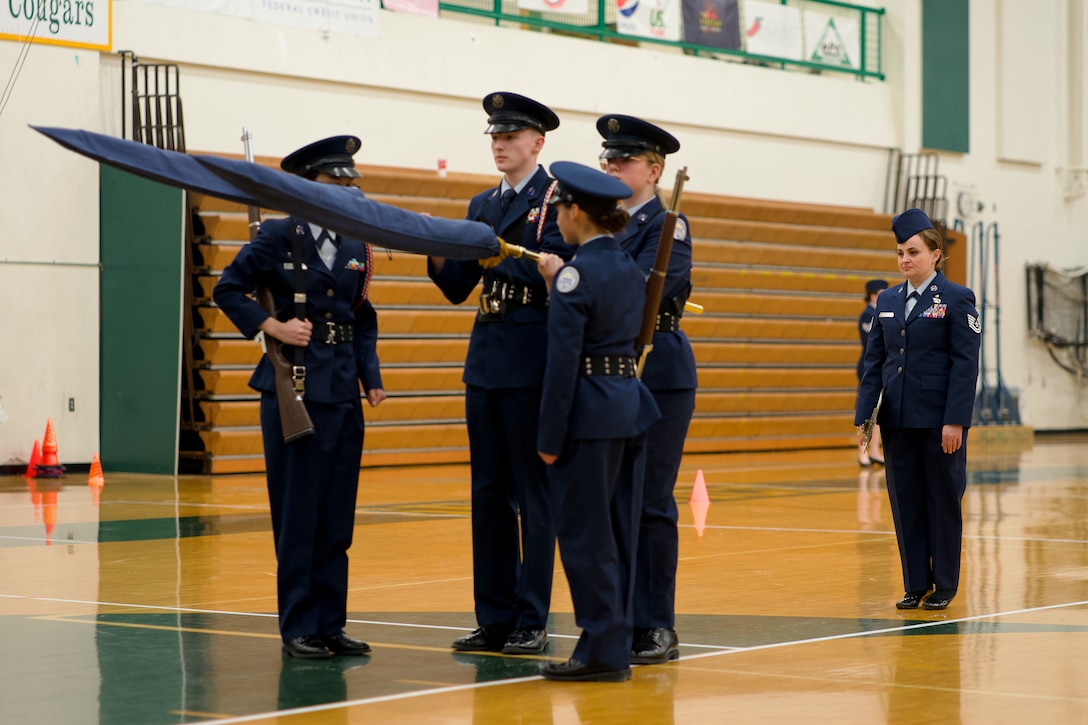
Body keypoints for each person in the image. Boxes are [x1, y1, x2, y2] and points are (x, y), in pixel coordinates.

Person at [214, 135, 386, 658]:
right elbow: (227, 287)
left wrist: (370, 375)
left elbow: (363, 314)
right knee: (298, 514)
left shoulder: (356, 242)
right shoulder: (276, 235)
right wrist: (271, 327)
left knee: (337, 516)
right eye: (336, 181)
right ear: (308, 186)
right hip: (296, 385)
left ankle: (331, 624)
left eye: (350, 182)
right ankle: (299, 627)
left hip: (341, 391)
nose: (347, 189)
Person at [428, 92, 572, 656]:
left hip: (532, 358)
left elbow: (566, 273)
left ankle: (532, 616)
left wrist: (502, 257)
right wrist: (435, 248)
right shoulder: (481, 203)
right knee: (487, 493)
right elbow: (457, 287)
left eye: (511, 137)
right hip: (486, 357)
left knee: (534, 495)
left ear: (538, 142)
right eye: (494, 136)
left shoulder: (557, 199)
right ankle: (493, 614)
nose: (500, 145)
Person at [535, 161, 661, 682]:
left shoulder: (574, 273)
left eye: (559, 210)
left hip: (587, 416)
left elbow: (562, 364)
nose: (556, 220)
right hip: (629, 407)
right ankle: (609, 638)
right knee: (615, 534)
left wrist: (547, 437)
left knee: (586, 537)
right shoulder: (630, 268)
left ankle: (603, 654)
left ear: (577, 212)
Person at [595, 114, 696, 665]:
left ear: (654, 171)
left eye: (624, 159)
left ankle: (657, 625)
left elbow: (640, 292)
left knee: (651, 503)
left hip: (659, 370)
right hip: (608, 369)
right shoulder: (599, 222)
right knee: (610, 503)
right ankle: (617, 620)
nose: (611, 166)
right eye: (606, 158)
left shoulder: (667, 227)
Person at [854, 208, 980, 611]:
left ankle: (943, 583)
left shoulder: (958, 299)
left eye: (913, 252)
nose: (905, 259)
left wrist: (956, 421)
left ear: (935, 255)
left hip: (939, 421)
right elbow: (875, 362)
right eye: (900, 253)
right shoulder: (888, 300)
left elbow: (965, 364)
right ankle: (914, 583)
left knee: (942, 500)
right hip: (897, 419)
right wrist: (864, 417)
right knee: (904, 500)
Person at [857, 278, 888, 467]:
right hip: (868, 368)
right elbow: (872, 343)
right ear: (872, 295)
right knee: (866, 410)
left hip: (883, 367)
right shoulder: (867, 315)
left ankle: (875, 450)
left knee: (878, 411)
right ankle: (862, 453)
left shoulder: (882, 313)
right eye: (879, 294)